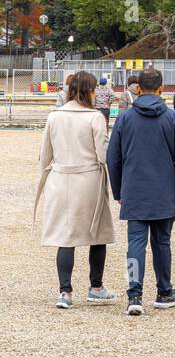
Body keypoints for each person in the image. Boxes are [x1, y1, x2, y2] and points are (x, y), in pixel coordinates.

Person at [106, 66, 175, 315]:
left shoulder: (125, 117)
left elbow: (114, 158)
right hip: (164, 190)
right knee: (162, 242)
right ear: (163, 89)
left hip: (133, 189)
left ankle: (134, 294)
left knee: (135, 243)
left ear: (138, 89)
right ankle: (164, 291)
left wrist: (118, 190)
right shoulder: (173, 118)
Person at [36, 71, 117, 309]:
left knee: (65, 236)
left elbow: (45, 156)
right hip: (88, 179)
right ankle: (96, 287)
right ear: (90, 91)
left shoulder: (55, 116)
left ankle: (65, 291)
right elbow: (102, 155)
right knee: (97, 234)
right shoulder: (94, 117)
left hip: (60, 179)